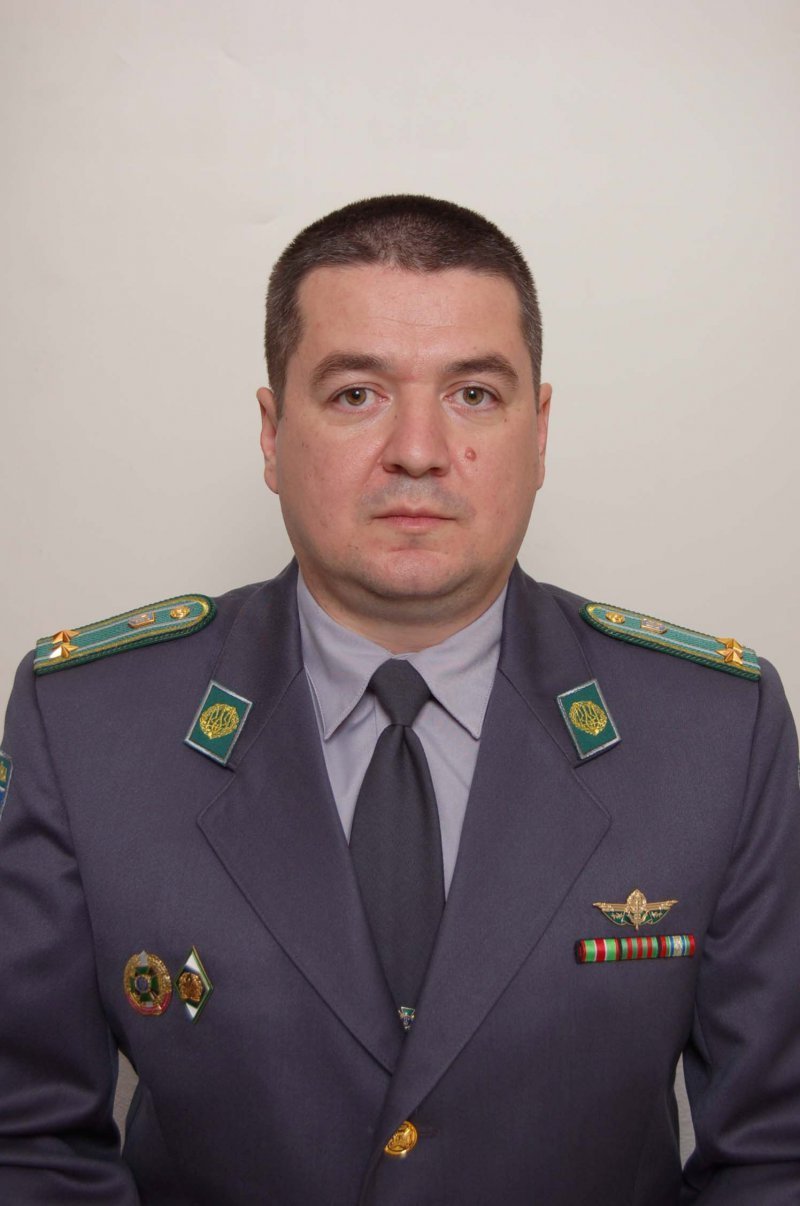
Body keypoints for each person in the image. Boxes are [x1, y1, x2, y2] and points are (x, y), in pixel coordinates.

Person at [1, 195, 798, 1206]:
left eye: (473, 393)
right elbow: (26, 1148)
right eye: (355, 394)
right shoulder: (88, 727)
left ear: (538, 432)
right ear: (270, 433)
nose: (417, 449)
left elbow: (775, 1157)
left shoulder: (714, 735)